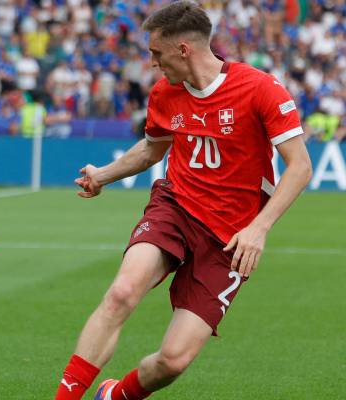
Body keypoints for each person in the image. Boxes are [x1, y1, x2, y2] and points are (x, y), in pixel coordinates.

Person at [53, 2, 313, 400]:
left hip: (230, 237)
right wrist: (103, 174)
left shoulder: (260, 88)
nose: (152, 63)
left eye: (156, 53)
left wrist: (258, 229)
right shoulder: (165, 92)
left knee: (173, 361)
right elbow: (151, 149)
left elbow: (300, 167)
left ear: (183, 49)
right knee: (122, 292)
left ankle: (115, 395)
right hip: (175, 207)